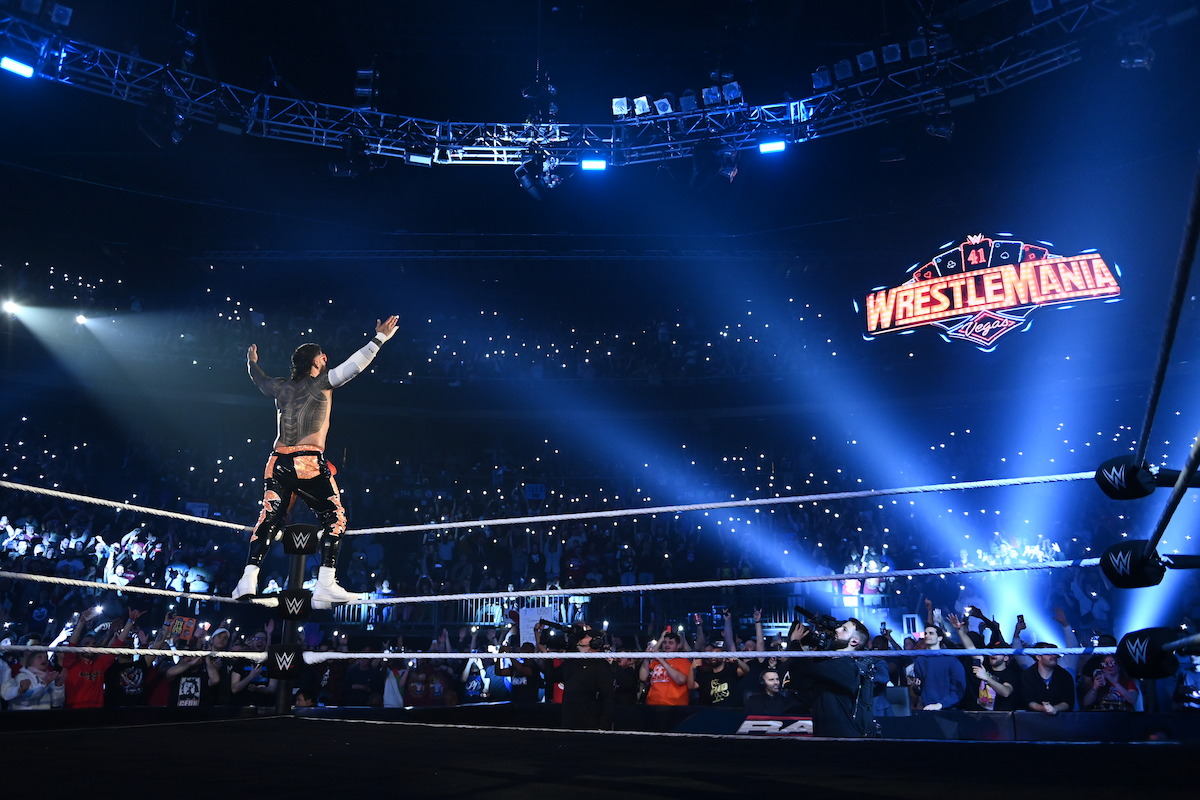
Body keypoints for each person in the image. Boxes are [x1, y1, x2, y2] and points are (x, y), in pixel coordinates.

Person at [232, 316, 399, 607]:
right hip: (307, 461)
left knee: (269, 517)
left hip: (277, 462)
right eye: (323, 356)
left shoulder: (280, 388)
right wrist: (379, 339)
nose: (327, 358)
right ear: (317, 360)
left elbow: (257, 378)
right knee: (335, 518)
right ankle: (326, 583)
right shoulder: (322, 383)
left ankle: (247, 580)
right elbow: (354, 367)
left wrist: (251, 361)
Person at [789, 618, 879, 737]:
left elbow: (809, 668)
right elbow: (800, 679)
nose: (837, 629)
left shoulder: (847, 667)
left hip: (844, 740)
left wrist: (794, 642)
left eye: (844, 629)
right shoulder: (829, 663)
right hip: (826, 737)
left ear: (854, 641)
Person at [560, 625, 615, 729]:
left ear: (594, 642)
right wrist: (547, 651)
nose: (581, 637)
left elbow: (608, 698)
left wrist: (603, 726)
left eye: (585, 636)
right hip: (569, 723)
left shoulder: (601, 665)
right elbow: (551, 676)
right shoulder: (572, 661)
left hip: (589, 723)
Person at [911, 624, 966, 711]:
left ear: (940, 638)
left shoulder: (951, 660)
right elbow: (920, 689)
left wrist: (940, 705)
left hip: (949, 711)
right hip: (927, 709)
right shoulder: (919, 660)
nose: (927, 635)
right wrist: (916, 688)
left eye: (931, 633)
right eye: (925, 633)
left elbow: (959, 690)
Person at [639, 630, 692, 706]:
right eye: (664, 642)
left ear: (677, 646)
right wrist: (646, 659)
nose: (667, 645)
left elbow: (681, 680)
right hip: (652, 704)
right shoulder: (655, 662)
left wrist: (662, 660)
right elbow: (643, 677)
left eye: (671, 643)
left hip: (674, 705)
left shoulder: (683, 660)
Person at [1020, 643, 1075, 715]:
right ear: (1038, 657)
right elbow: (1028, 700)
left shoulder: (1065, 675)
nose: (1054, 656)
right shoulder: (1027, 675)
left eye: (1055, 653)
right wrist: (1043, 708)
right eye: (1049, 653)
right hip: (1033, 720)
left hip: (1061, 720)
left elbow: (1068, 701)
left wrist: (1055, 708)